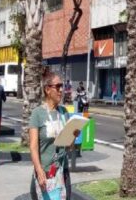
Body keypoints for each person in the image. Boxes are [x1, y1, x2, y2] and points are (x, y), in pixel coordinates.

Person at [29, 71, 81, 200]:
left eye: (62, 86)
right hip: (44, 174)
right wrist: (39, 170)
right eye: (57, 86)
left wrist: (73, 136)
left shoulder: (64, 112)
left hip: (62, 173)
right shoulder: (37, 114)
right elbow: (33, 147)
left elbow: (68, 147)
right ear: (47, 89)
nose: (61, 90)